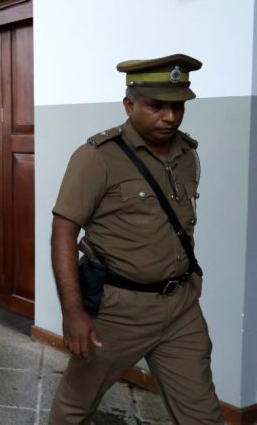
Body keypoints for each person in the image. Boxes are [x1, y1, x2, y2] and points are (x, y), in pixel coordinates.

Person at [49, 54, 223, 424]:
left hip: (180, 306)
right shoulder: (97, 157)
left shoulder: (187, 153)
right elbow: (63, 232)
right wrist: (73, 312)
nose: (170, 116)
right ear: (130, 105)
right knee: (74, 408)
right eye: (157, 106)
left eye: (178, 106)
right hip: (117, 310)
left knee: (203, 414)